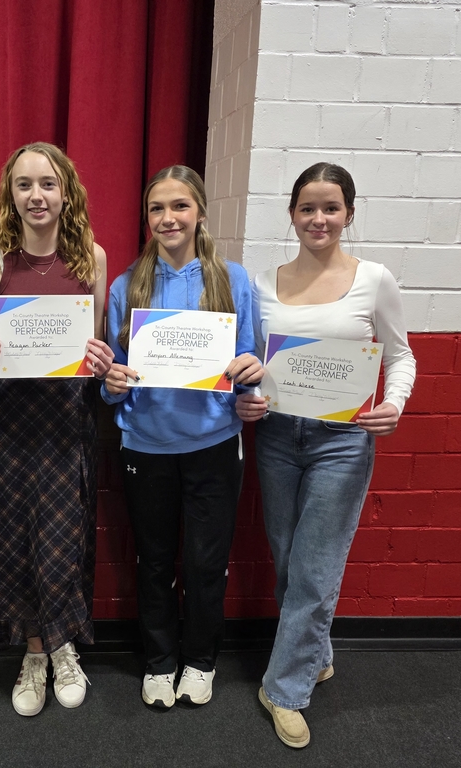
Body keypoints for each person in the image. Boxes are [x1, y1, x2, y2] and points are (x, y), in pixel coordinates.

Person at [237, 162, 416, 748]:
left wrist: (394, 403)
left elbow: (401, 355)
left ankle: (284, 689)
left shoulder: (375, 279)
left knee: (316, 567)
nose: (319, 219)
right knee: (291, 558)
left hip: (343, 441)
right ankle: (316, 649)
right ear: (291, 214)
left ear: (349, 214)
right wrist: (250, 395)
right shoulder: (263, 285)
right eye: (308, 208)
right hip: (280, 438)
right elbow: (251, 366)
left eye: (331, 208)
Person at [0, 142, 114, 716]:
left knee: (62, 538)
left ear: (66, 190)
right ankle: (32, 652)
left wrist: (99, 359)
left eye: (48, 183)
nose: (36, 195)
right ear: (10, 194)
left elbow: (93, 346)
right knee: (17, 540)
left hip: (66, 420)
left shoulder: (91, 258)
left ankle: (63, 646)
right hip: (9, 420)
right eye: (24, 185)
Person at [102, 165, 262, 710]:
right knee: (153, 561)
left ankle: (200, 660)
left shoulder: (233, 280)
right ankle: (160, 662)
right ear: (146, 218)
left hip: (214, 443)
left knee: (204, 562)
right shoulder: (127, 286)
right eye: (156, 208)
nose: (167, 218)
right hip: (145, 446)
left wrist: (249, 370)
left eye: (179, 206)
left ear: (199, 213)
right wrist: (113, 383)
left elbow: (252, 363)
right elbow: (113, 381)